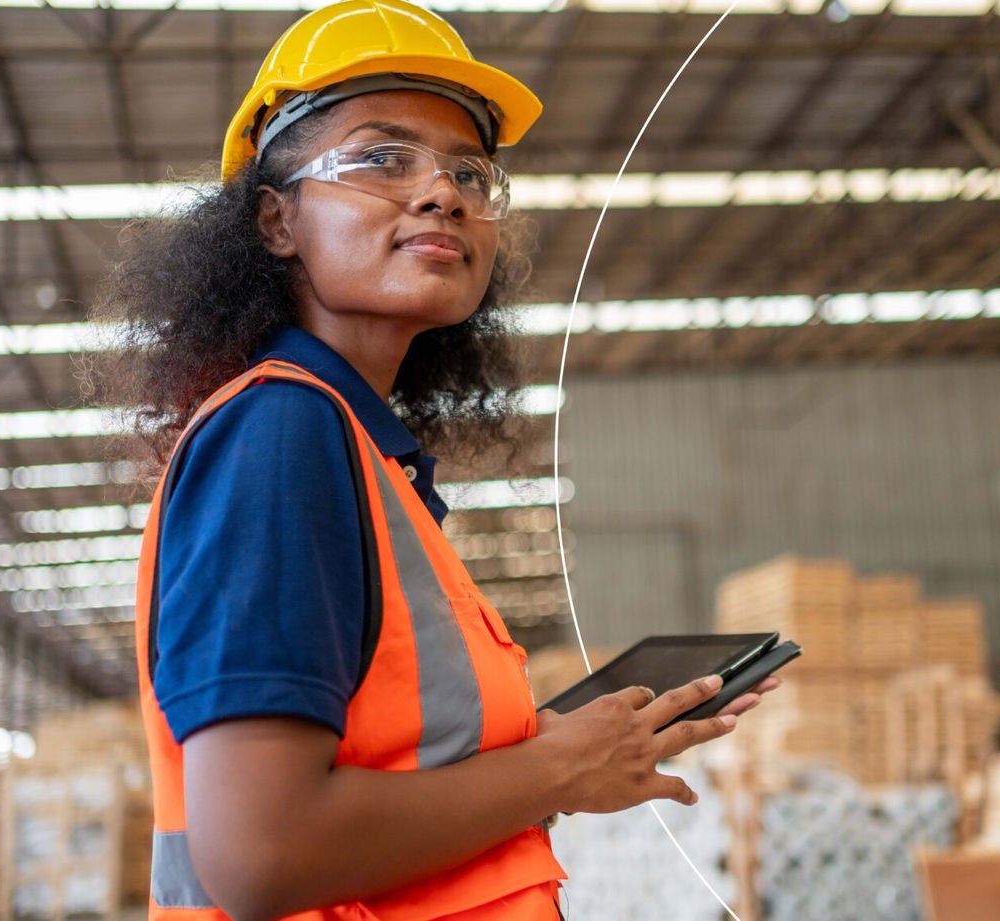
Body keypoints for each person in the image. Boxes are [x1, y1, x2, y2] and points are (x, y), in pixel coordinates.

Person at [91, 2, 776, 919]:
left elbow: (392, 764)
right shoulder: (283, 434)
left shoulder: (355, 445)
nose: (442, 192)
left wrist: (565, 752)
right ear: (274, 221)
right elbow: (261, 854)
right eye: (382, 157)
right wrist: (552, 768)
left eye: (469, 171)